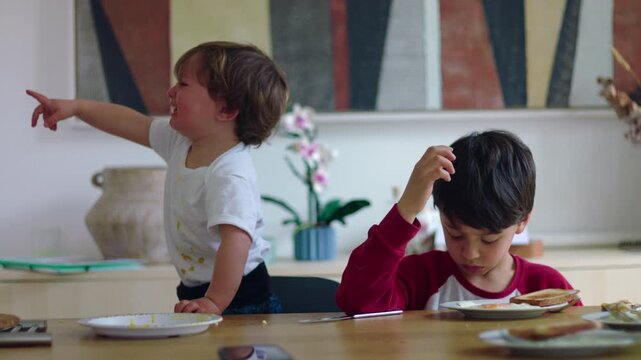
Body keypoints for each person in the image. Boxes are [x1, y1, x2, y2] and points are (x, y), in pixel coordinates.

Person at [27, 41, 289, 315]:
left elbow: (236, 242)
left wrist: (213, 301)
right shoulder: (181, 142)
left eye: (184, 84)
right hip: (201, 292)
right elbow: (132, 123)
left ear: (225, 109)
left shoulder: (230, 173)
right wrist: (78, 107)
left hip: (239, 298)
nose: (171, 91)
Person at [336, 130, 581, 313]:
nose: (470, 253)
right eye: (454, 234)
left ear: (522, 221)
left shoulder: (547, 287)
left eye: (488, 239)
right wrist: (407, 208)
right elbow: (358, 304)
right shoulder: (421, 278)